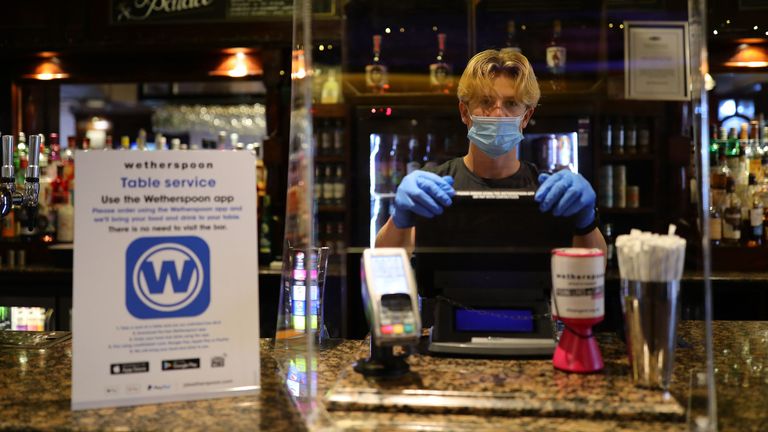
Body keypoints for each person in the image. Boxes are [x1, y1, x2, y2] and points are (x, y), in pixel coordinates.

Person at [375, 49, 607, 257]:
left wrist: (585, 221)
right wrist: (400, 218)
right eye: (486, 101)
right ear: (464, 113)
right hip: (446, 305)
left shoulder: (549, 192)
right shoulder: (434, 188)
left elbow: (593, 267)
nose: (498, 113)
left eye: (511, 103)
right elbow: (386, 265)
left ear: (526, 117)